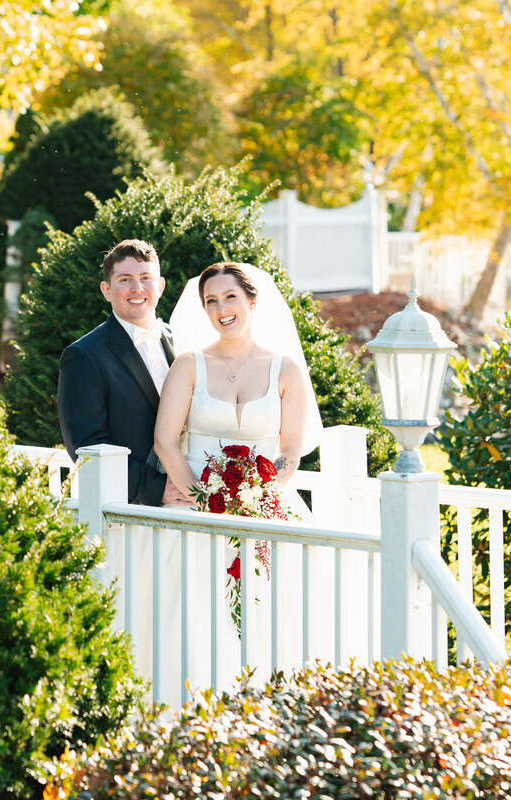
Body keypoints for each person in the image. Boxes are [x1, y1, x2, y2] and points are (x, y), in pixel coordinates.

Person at [150, 261, 322, 700]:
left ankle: (268, 703)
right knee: (193, 612)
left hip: (265, 507)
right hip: (193, 506)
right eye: (211, 301)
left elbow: (289, 451)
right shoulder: (189, 365)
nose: (221, 308)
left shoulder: (285, 370)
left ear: (251, 301)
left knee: (270, 609)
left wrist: (260, 496)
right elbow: (166, 441)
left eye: (230, 297)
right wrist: (203, 498)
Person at [57, 239, 191, 506]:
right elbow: (88, 446)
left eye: (145, 278)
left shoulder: (184, 342)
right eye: (125, 280)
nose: (137, 288)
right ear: (106, 290)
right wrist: (154, 489)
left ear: (161, 286)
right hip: (130, 507)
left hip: (192, 495)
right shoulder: (84, 356)